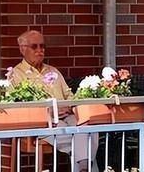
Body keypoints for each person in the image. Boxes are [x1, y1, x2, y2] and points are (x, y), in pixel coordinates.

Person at [9, 30, 98, 172]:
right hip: (43, 121)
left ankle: (83, 165)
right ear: (23, 49)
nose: (40, 50)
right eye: (34, 46)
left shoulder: (53, 71)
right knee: (82, 136)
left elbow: (69, 96)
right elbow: (17, 105)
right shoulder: (15, 75)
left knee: (90, 129)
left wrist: (69, 107)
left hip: (67, 115)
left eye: (42, 46)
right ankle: (84, 165)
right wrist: (50, 112)